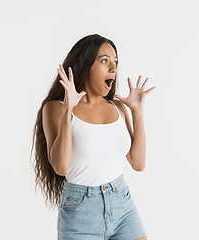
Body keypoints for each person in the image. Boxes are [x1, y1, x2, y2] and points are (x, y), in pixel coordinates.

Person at [31, 34, 156, 239]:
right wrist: (68, 110)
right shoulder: (55, 108)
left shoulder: (118, 107)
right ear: (86, 64)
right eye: (105, 60)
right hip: (80, 212)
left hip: (122, 203)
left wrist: (137, 112)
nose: (113, 68)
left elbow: (138, 163)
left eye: (115, 62)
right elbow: (61, 167)